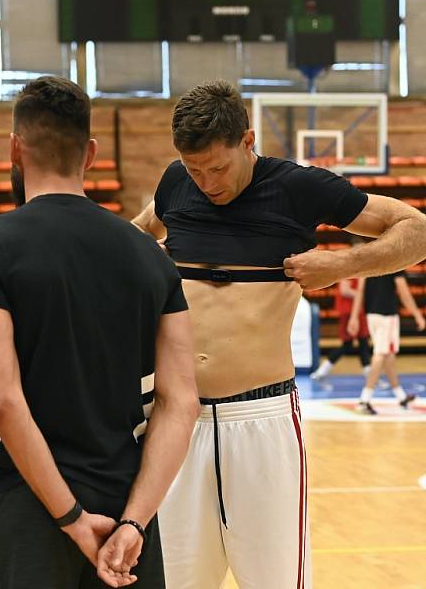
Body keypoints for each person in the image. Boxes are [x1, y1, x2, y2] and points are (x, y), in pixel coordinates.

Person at [131, 79, 426, 589]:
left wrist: (345, 263)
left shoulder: (299, 188)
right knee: (174, 581)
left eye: (217, 168)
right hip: (173, 419)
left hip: (260, 419)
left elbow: (415, 229)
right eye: (195, 169)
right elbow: (130, 241)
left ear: (248, 142)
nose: (206, 181)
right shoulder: (176, 183)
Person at [0, 76, 200, 589]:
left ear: (15, 150)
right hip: (126, 516)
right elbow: (181, 403)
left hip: (28, 509)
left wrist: (70, 519)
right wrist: (134, 522)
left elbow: (3, 400)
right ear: (89, 154)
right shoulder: (150, 255)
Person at [353, 272, 425, 414]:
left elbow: (360, 290)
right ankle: (365, 399)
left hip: (371, 315)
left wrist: (354, 316)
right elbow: (403, 292)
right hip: (387, 315)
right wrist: (417, 315)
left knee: (388, 355)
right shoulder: (395, 261)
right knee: (381, 353)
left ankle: (400, 396)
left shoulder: (368, 260)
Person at [309, 277, 371, 380]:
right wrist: (359, 295)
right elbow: (344, 290)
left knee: (363, 342)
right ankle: (322, 370)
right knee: (348, 344)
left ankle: (370, 374)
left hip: (357, 311)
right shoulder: (350, 269)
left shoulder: (357, 270)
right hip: (349, 312)